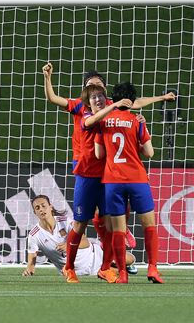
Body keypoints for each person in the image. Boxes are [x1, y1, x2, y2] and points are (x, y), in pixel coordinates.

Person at [42, 63, 175, 282]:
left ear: (104, 91)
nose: (95, 93)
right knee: (80, 223)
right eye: (90, 88)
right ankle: (69, 267)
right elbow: (54, 99)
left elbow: (135, 103)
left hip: (108, 174)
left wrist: (160, 99)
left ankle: (107, 267)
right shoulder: (81, 108)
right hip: (85, 173)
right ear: (86, 92)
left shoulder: (109, 105)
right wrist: (48, 78)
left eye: (99, 88)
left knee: (110, 223)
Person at [92, 82, 163, 284]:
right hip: (137, 179)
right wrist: (136, 145)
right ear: (131, 101)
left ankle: (122, 274)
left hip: (113, 181)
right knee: (148, 225)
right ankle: (153, 269)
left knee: (118, 230)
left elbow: (99, 154)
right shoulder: (137, 120)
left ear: (113, 100)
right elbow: (149, 152)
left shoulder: (103, 121)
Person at [23, 195, 134, 278]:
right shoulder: (34, 235)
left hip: (93, 256)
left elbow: (84, 241)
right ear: (35, 212)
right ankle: (116, 267)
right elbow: (32, 258)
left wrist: (68, 246)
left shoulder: (65, 221)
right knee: (113, 271)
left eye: (43, 206)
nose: (41, 209)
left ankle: (112, 254)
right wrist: (29, 269)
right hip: (75, 271)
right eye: (37, 208)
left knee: (130, 259)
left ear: (51, 207)